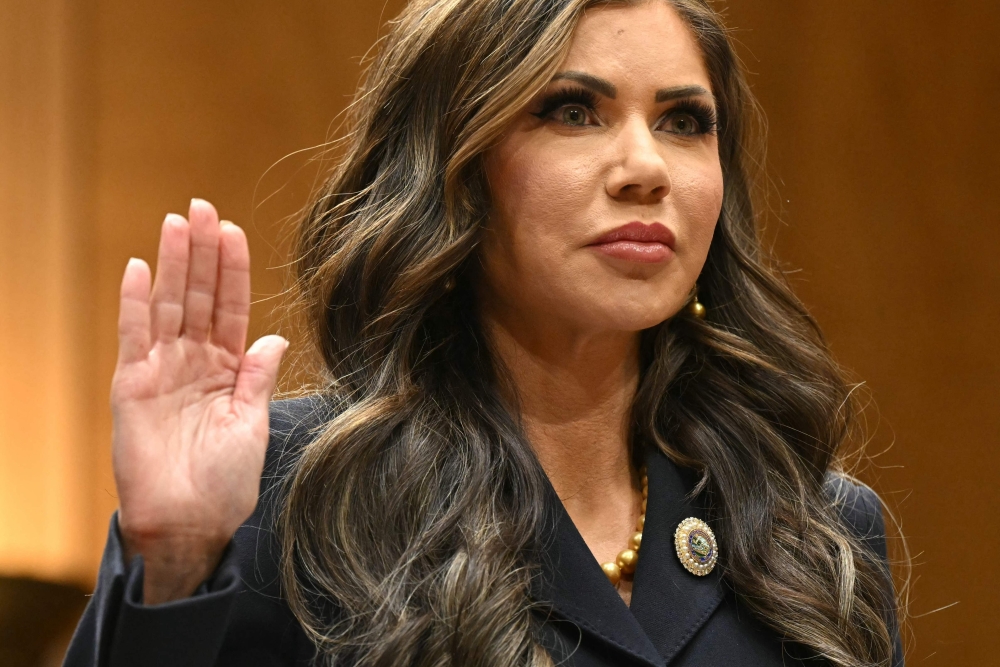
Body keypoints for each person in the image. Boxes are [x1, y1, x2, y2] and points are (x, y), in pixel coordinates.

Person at [63, 0, 904, 665]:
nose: (646, 166)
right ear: (454, 171)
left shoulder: (812, 527)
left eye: (685, 121)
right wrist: (173, 561)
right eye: (573, 111)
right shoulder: (291, 491)